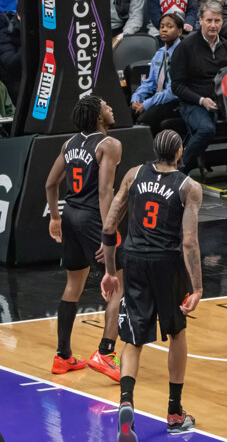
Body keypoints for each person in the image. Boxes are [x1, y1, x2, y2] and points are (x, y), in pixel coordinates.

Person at [100, 131, 205, 437]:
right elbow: (189, 243)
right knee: (176, 333)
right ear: (180, 151)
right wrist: (197, 288)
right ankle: (174, 412)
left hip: (134, 260)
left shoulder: (134, 175)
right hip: (167, 264)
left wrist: (109, 271)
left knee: (133, 339)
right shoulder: (189, 187)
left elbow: (109, 227)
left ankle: (125, 403)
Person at [44, 96, 123, 383]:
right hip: (92, 219)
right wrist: (108, 231)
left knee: (73, 285)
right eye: (106, 105)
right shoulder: (109, 145)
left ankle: (62, 355)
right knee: (117, 284)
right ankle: (106, 352)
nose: (111, 107)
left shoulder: (70, 144)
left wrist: (55, 217)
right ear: (98, 117)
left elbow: (51, 183)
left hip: (71, 215)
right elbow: (105, 192)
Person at [170, 3, 227, 174]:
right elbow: (177, 86)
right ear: (200, 21)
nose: (213, 25)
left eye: (217, 20)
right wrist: (201, 100)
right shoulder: (184, 48)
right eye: (209, 20)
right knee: (206, 129)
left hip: (225, 102)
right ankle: (179, 169)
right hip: (194, 101)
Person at [131, 14, 183, 135]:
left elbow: (172, 92)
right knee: (128, 113)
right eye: (162, 26)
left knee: (143, 119)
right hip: (158, 98)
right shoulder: (159, 53)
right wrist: (136, 98)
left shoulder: (182, 53)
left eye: (169, 27)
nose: (164, 29)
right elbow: (150, 83)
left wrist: (146, 104)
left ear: (179, 31)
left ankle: (152, 152)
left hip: (174, 102)